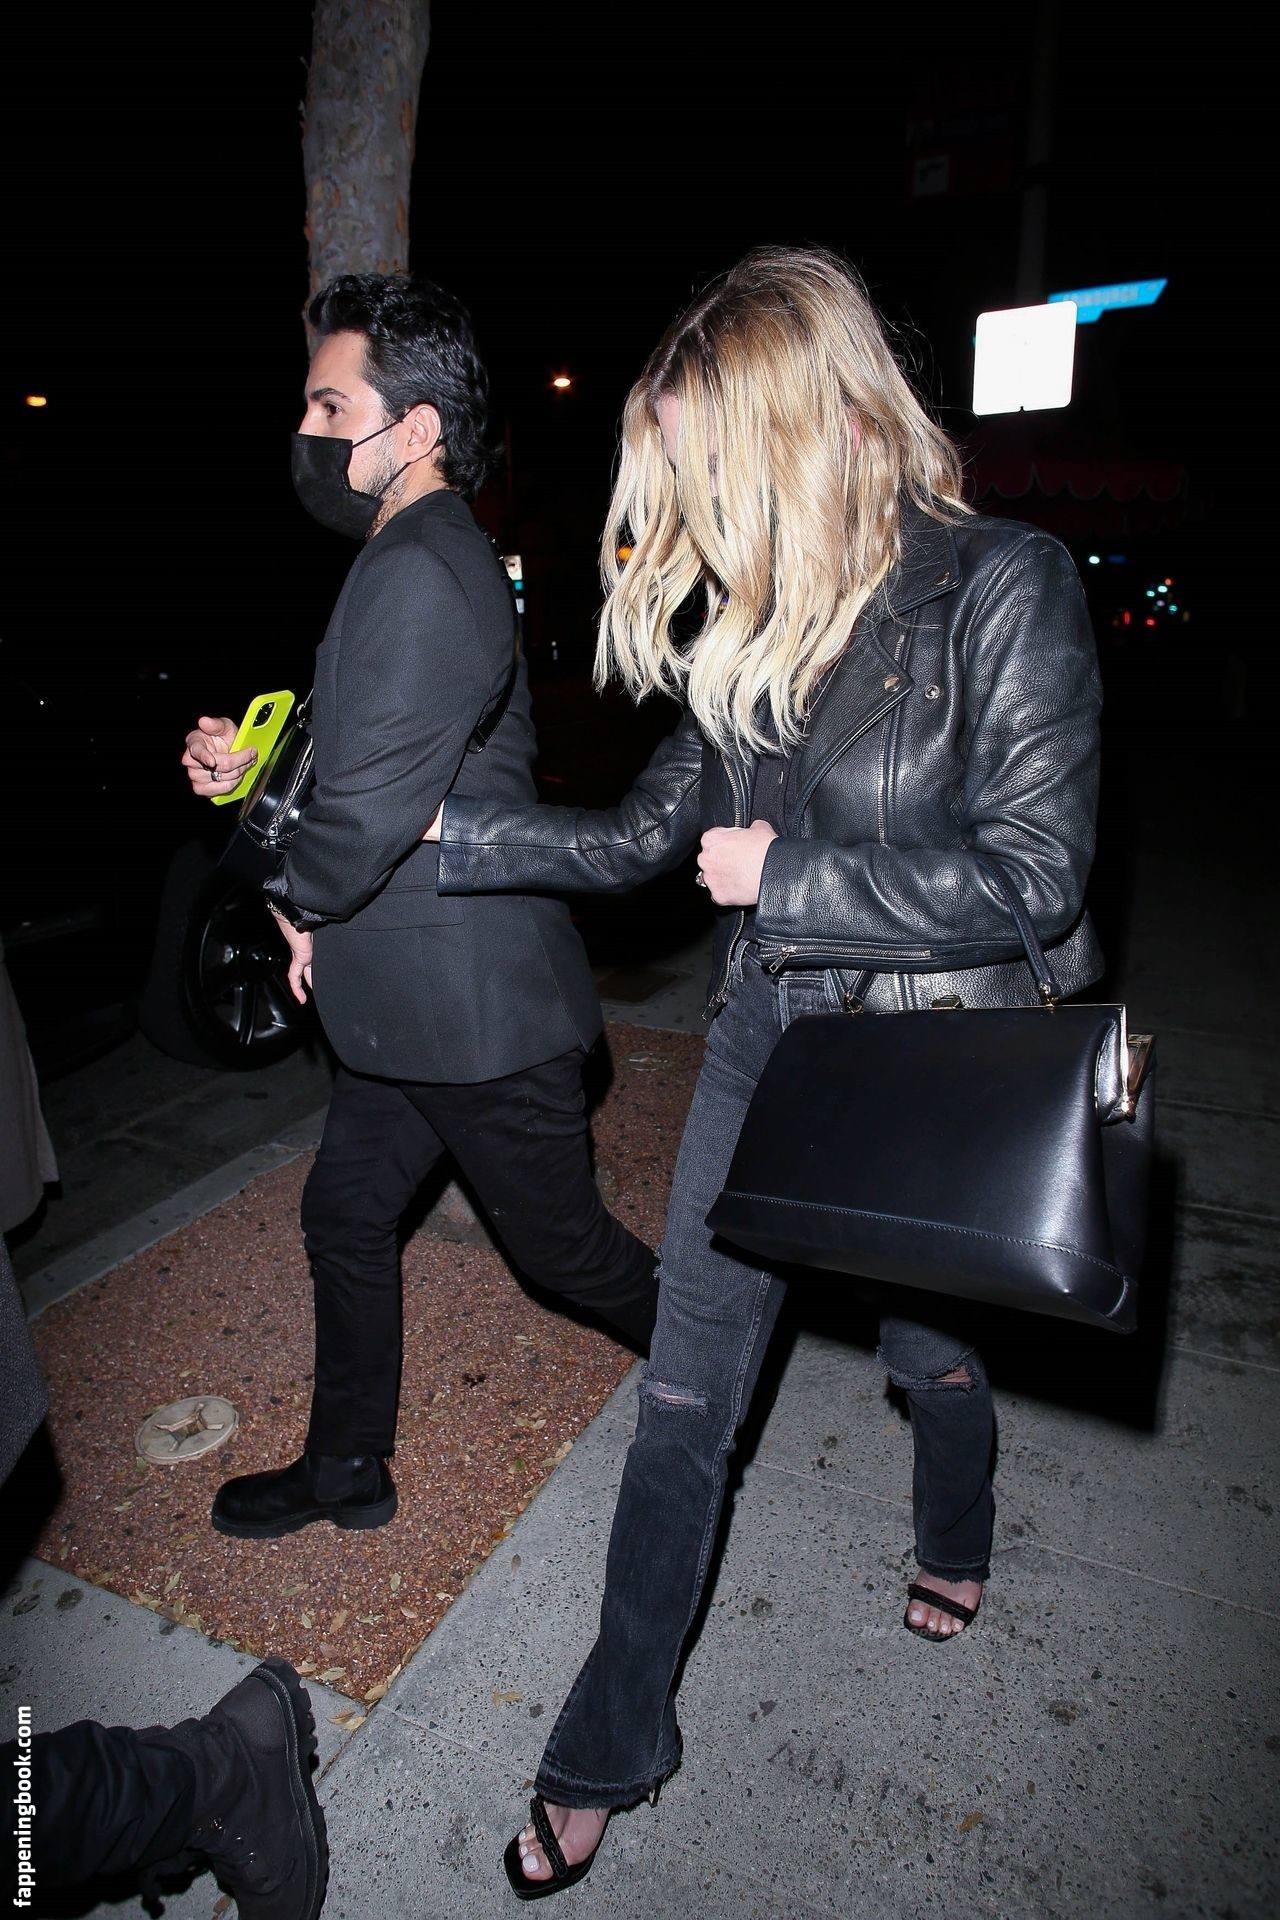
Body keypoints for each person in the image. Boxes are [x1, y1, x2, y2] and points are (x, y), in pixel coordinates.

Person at [424, 244, 1105, 1893]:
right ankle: (607, 1741)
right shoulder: (761, 629)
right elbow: (637, 838)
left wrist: (790, 878)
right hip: (764, 1041)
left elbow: (1041, 878)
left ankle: (955, 1523)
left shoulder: (1001, 586)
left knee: (927, 1349)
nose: (701, 510)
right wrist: (425, 834)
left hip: (927, 1059)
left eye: (712, 466)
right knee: (682, 1400)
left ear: (814, 422)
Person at [182, 274, 657, 1542]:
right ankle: (347, 1467)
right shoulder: (407, 559)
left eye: (330, 406)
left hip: (473, 1011)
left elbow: (357, 831)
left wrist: (290, 901)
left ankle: (718, 1366)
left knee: (565, 1254)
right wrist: (249, 769)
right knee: (344, 1214)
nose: (307, 429)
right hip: (405, 1000)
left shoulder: (424, 570)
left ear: (417, 429)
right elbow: (360, 766)